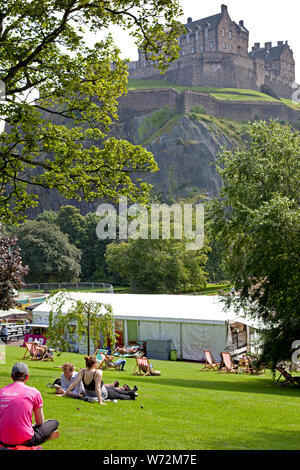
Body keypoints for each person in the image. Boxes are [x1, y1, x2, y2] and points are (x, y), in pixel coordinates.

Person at [0, 362, 59, 447]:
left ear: (12, 376)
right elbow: (39, 422)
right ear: (27, 377)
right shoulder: (34, 392)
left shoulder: (1, 392)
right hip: (25, 440)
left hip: (3, 439)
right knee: (54, 422)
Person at [61, 356, 137, 403]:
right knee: (118, 395)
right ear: (94, 364)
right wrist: (100, 401)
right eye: (96, 362)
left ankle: (132, 392)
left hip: (89, 394)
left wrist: (63, 394)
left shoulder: (82, 371)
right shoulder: (98, 372)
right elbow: (97, 388)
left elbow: (73, 384)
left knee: (114, 390)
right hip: (101, 393)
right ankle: (132, 395)